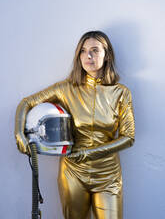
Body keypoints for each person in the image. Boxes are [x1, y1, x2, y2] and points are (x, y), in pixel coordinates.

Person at [15, 30, 135, 219]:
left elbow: (129, 137)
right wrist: (19, 135)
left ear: (107, 54)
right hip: (73, 173)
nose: (88, 56)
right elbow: (26, 103)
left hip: (108, 175)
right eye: (83, 51)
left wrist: (90, 153)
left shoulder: (121, 93)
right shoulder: (66, 88)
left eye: (95, 50)